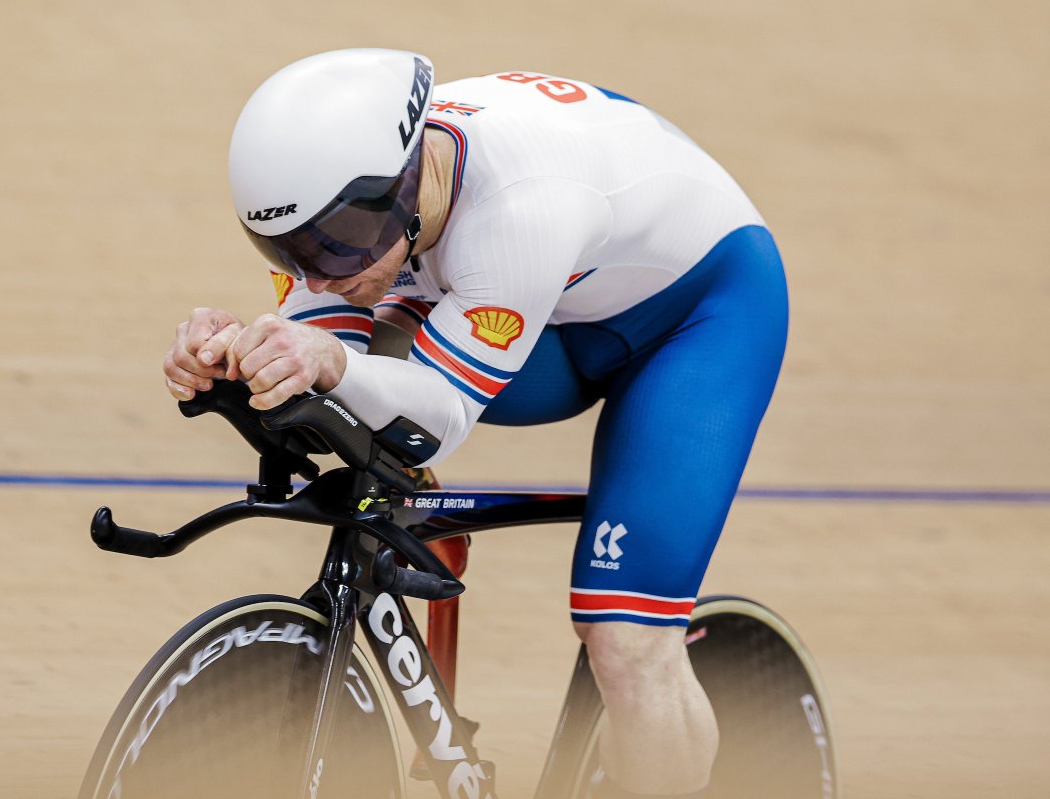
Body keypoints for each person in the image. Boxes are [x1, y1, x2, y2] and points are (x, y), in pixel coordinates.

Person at [163, 48, 788, 799]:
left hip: (700, 318)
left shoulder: (523, 205)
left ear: (404, 185)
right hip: (555, 310)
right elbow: (323, 351)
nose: (318, 273)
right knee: (332, 364)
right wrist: (235, 361)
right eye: (289, 250)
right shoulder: (332, 207)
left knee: (625, 644)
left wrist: (324, 359)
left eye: (336, 246)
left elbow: (441, 413)